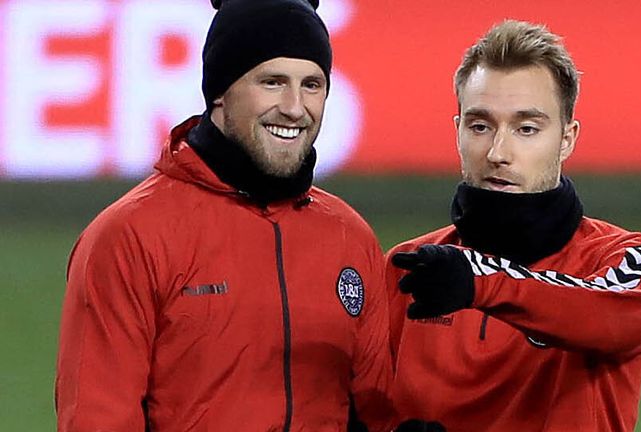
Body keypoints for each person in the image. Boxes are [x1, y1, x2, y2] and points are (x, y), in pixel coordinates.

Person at [55, 0, 394, 430]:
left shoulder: (351, 237)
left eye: (312, 84)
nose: (294, 107)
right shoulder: (128, 238)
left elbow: (376, 412)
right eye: (272, 82)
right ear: (219, 91)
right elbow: (96, 419)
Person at [387, 20, 641, 432]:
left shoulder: (630, 261)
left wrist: (476, 279)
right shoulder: (405, 270)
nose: (498, 152)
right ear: (457, 132)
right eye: (480, 126)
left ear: (567, 139)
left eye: (526, 128)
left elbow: (608, 319)